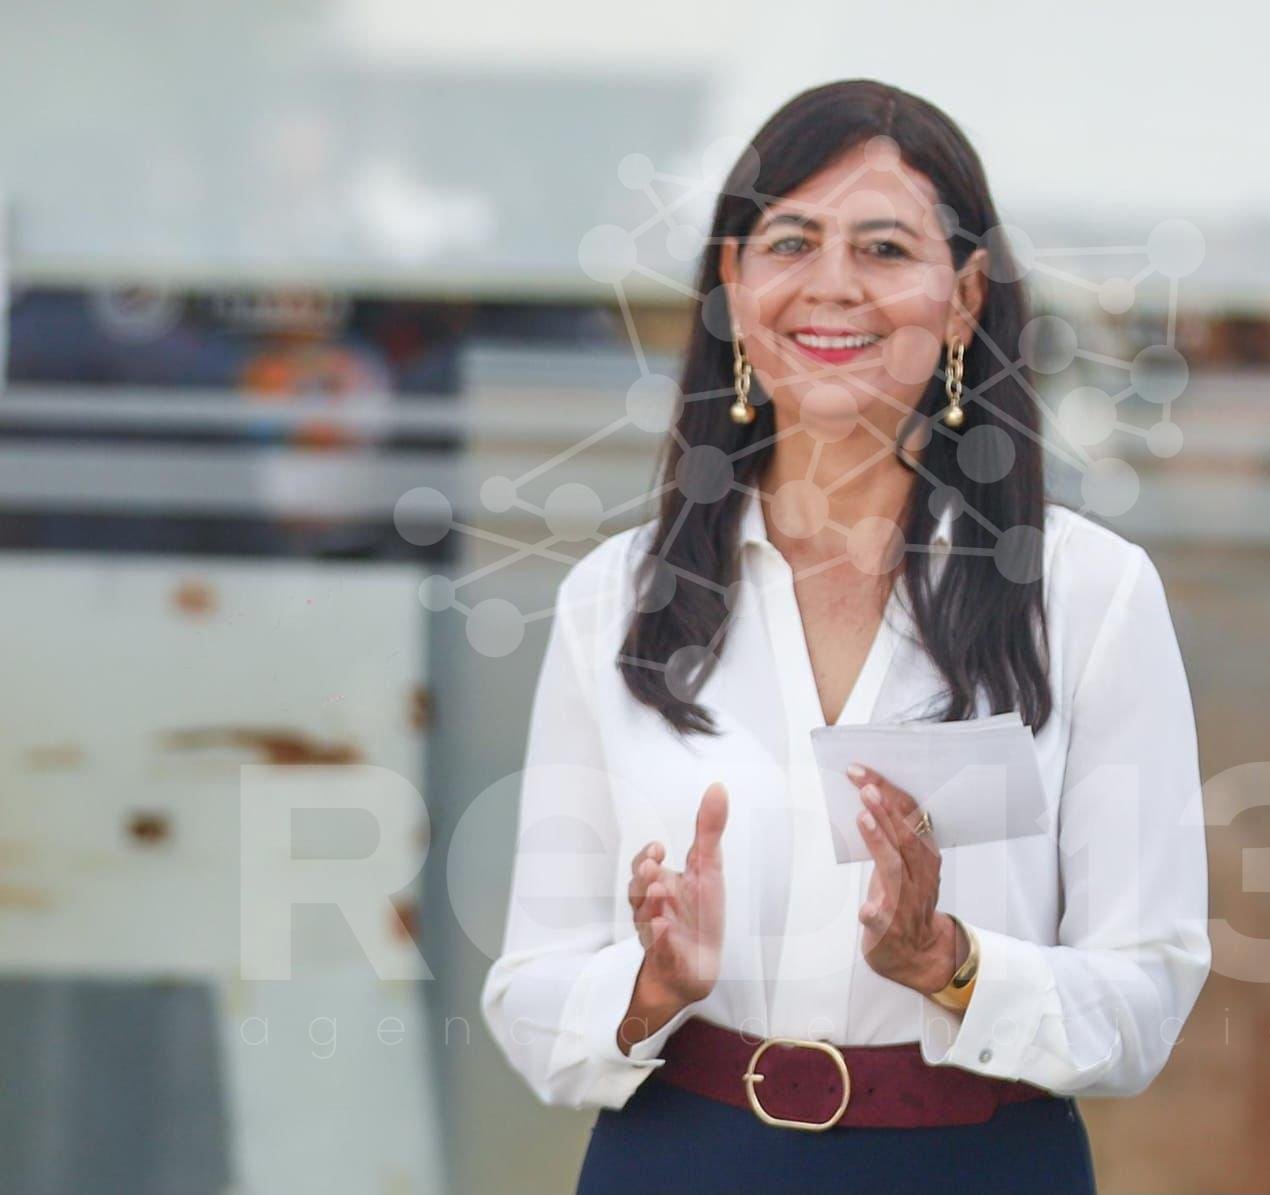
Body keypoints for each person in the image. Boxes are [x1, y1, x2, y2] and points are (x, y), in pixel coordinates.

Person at [480, 78, 1211, 1195]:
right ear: (733, 287)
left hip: (974, 1165)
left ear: (964, 298)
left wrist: (949, 963)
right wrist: (651, 987)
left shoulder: (1088, 594)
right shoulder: (613, 597)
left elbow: (1146, 992)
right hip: (682, 1159)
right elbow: (531, 986)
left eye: (883, 248)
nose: (832, 285)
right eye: (790, 242)